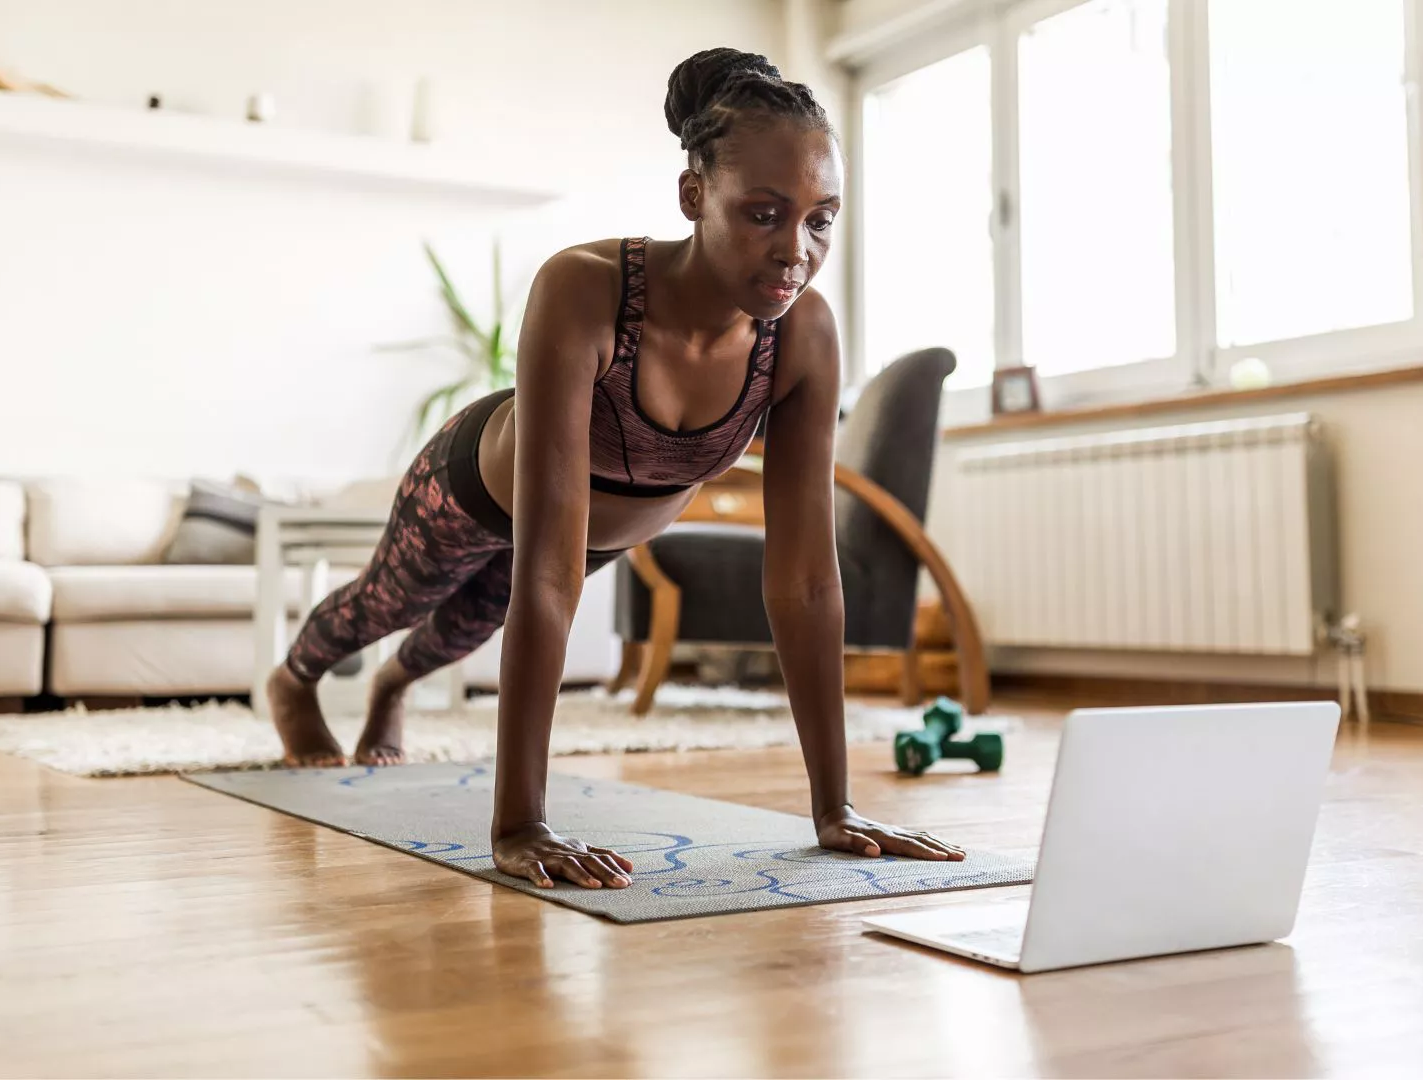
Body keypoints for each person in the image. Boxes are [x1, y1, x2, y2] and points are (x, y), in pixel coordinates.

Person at [266, 46, 967, 890]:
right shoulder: (586, 288)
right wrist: (520, 824)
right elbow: (548, 575)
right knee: (391, 600)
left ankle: (390, 691)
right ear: (693, 195)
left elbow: (807, 581)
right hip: (476, 493)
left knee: (459, 633)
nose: (795, 249)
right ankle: (295, 681)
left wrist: (834, 809)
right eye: (763, 213)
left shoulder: (802, 334)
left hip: (599, 534)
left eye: (821, 218)